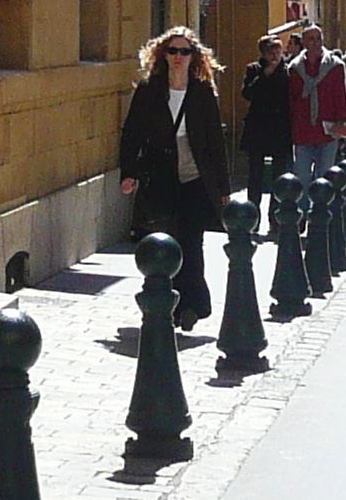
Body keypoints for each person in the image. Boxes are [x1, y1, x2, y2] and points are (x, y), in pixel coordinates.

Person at [117, 26, 229, 327]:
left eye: (185, 51)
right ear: (162, 54)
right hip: (159, 175)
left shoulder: (203, 92)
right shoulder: (149, 91)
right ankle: (167, 301)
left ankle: (193, 305)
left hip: (194, 175)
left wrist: (223, 188)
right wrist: (128, 172)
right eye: (173, 51)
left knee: (192, 243)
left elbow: (215, 142)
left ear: (194, 57)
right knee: (164, 242)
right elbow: (132, 134)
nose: (179, 57)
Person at [287, 25, 346, 177]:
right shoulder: (294, 68)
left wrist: (341, 123)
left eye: (319, 38)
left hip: (327, 132)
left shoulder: (335, 66)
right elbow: (292, 100)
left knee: (324, 180)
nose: (316, 43)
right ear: (304, 42)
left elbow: (341, 97)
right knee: (301, 178)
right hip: (303, 132)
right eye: (311, 39)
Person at [238, 35, 294, 203]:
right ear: (263, 54)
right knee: (255, 172)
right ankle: (252, 211)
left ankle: (276, 213)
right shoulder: (254, 70)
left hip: (280, 127)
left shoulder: (288, 71)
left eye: (278, 51)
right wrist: (264, 75)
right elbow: (247, 93)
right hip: (258, 126)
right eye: (271, 52)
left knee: (280, 173)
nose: (276, 56)